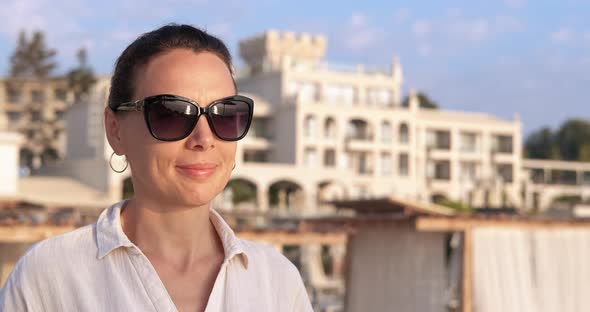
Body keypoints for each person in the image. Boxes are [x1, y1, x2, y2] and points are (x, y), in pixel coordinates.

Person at [0, 24, 313, 312]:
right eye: (172, 113)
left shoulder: (277, 282)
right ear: (115, 129)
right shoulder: (48, 278)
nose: (204, 139)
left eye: (224, 114)